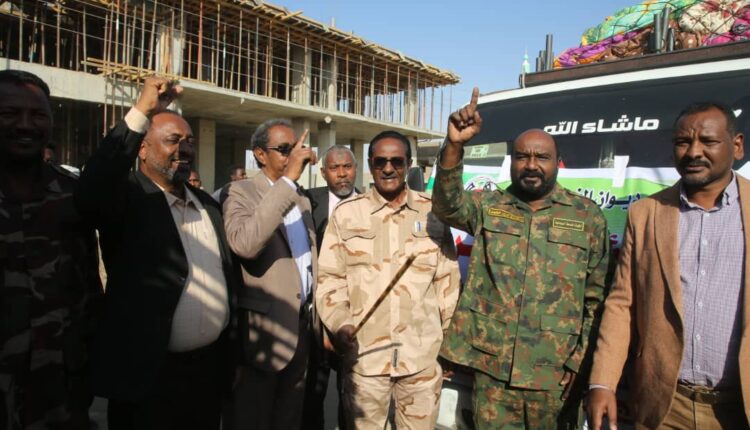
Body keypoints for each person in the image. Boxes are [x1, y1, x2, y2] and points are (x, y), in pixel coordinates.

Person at [432, 89, 611, 429]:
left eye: (541, 157)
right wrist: (454, 144)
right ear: (511, 161)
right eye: (521, 157)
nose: (531, 165)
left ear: (557, 162)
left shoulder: (587, 216)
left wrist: (581, 362)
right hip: (493, 371)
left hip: (555, 376)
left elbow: (597, 298)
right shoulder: (489, 205)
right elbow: (446, 205)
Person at [77, 77, 237, 430]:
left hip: (207, 375)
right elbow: (93, 187)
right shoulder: (128, 198)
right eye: (172, 140)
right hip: (147, 379)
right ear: (142, 149)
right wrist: (142, 111)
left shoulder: (208, 205)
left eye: (189, 141)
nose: (184, 149)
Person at [587, 103, 750, 430]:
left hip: (741, 408)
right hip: (665, 407)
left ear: (736, 146)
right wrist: (602, 382)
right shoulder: (646, 213)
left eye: (708, 141)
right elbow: (622, 304)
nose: (694, 152)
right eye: (683, 142)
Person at [316, 130, 461, 430]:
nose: (388, 168)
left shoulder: (433, 212)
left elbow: (447, 282)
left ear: (408, 164)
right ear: (370, 164)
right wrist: (340, 323)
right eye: (380, 161)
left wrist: (451, 345)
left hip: (421, 360)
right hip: (365, 360)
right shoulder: (346, 215)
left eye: (396, 161)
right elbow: (330, 279)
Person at [0, 70, 102, 429]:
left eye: (38, 115)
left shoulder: (72, 195)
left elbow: (89, 288)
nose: (25, 125)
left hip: (62, 389)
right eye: (10, 113)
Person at [222, 118, 318, 430]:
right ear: (260, 155)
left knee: (289, 419)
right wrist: (286, 183)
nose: (294, 155)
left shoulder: (301, 198)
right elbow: (245, 244)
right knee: (253, 419)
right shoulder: (240, 192)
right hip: (262, 335)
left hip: (301, 329)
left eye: (297, 148)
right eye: (285, 149)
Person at [302, 144, 358, 429]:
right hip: (316, 319)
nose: (342, 173)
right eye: (334, 168)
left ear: (356, 169)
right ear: (323, 173)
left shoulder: (370, 204)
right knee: (313, 396)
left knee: (352, 399)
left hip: (356, 318)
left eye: (347, 167)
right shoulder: (307, 203)